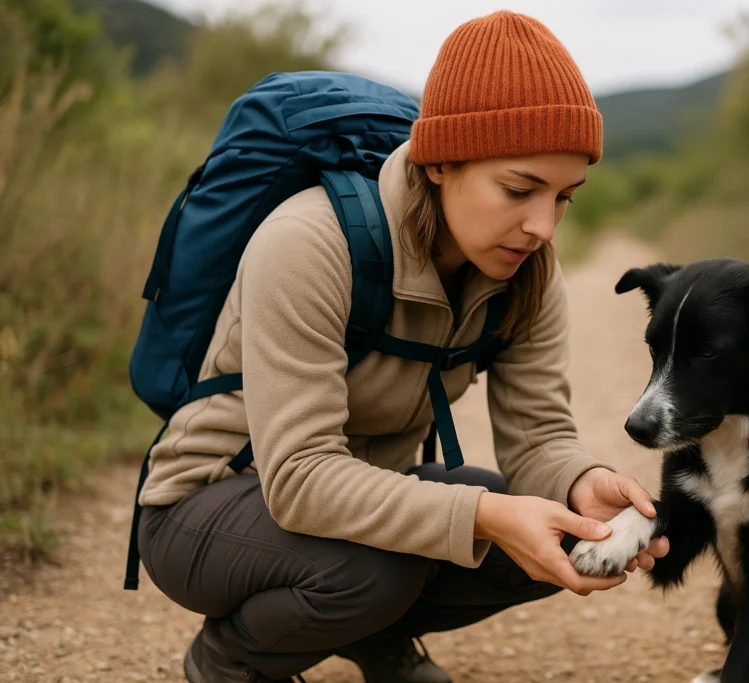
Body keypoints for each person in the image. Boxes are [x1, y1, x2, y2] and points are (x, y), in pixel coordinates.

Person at [135, 9, 669, 683]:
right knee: (392, 556)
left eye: (564, 196)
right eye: (519, 188)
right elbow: (299, 479)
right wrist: (486, 513)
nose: (541, 225)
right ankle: (231, 659)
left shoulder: (528, 275)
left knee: (561, 531)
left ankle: (373, 633)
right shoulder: (309, 243)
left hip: (348, 506)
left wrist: (582, 485)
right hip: (207, 508)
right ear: (441, 161)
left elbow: (536, 438)